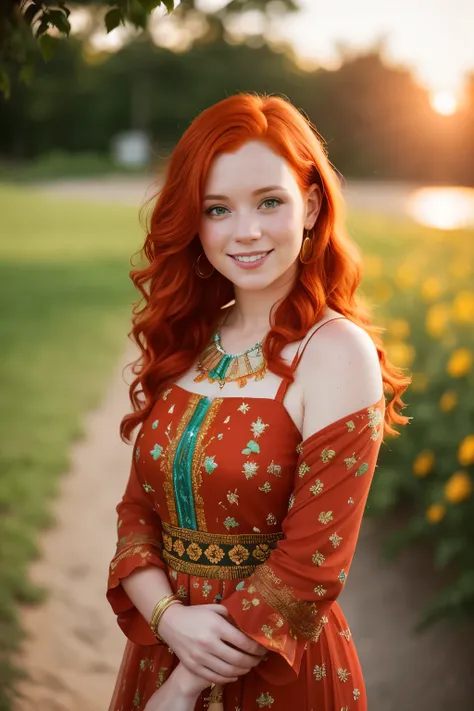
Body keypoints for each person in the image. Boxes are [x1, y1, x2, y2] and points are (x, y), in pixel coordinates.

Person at [106, 92, 410, 711]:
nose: (245, 232)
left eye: (269, 201)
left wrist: (185, 686)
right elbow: (139, 512)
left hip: (277, 669)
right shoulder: (189, 340)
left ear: (311, 204)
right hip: (167, 648)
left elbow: (312, 565)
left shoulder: (336, 354)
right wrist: (169, 622)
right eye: (218, 209)